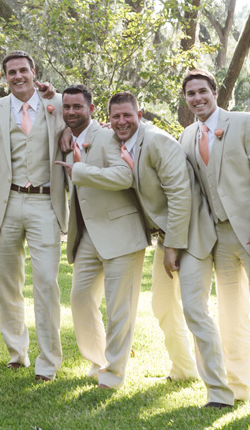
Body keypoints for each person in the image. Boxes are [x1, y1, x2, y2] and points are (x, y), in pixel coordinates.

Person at [108, 91, 233, 407]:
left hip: (191, 235)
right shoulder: (129, 145)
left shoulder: (157, 141)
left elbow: (181, 197)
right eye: (115, 116)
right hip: (170, 237)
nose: (121, 121)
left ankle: (219, 391)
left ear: (140, 114)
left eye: (127, 115)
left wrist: (172, 247)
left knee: (194, 309)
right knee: (162, 305)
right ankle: (183, 369)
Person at [180, 68, 250, 413]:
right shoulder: (186, 136)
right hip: (220, 239)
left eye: (202, 91)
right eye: (190, 94)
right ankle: (238, 387)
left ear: (215, 92)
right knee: (231, 316)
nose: (197, 98)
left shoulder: (245, 122)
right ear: (185, 100)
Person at [0, 51, 66, 381]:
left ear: (34, 72)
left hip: (45, 202)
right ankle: (17, 352)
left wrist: (53, 94)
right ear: (4, 77)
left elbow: (80, 113)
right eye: (11, 72)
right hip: (6, 201)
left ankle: (49, 361)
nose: (18, 76)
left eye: (23, 70)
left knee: (46, 282)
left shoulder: (55, 104)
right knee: (7, 283)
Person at [55, 85, 145, 390]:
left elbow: (125, 176)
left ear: (91, 110)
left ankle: (114, 374)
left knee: (119, 308)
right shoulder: (71, 140)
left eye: (77, 107)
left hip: (121, 233)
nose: (71, 112)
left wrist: (79, 171)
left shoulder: (109, 136)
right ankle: (98, 360)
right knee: (80, 298)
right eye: (66, 107)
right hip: (88, 237)